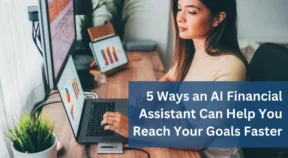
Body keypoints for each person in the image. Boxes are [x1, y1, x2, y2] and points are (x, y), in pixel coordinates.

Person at [101, 0, 248, 157]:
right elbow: (170, 78)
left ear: (218, 18)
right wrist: (149, 100)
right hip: (184, 132)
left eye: (191, 12)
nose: (180, 18)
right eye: (179, 9)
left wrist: (133, 130)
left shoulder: (231, 66)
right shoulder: (194, 49)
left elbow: (200, 141)